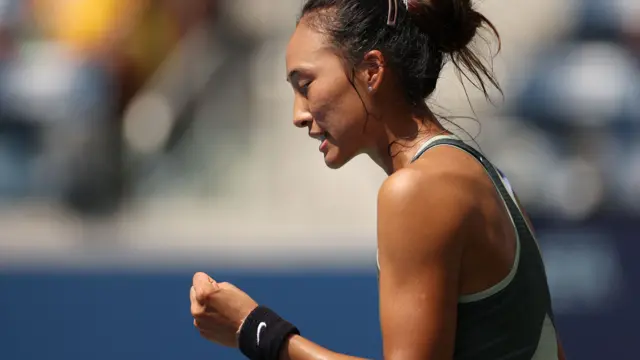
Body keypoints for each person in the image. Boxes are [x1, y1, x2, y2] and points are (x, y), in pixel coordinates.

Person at [190, 0, 566, 359]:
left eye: (305, 85)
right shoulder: (486, 176)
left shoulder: (416, 191)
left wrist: (254, 330)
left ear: (371, 71)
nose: (298, 114)